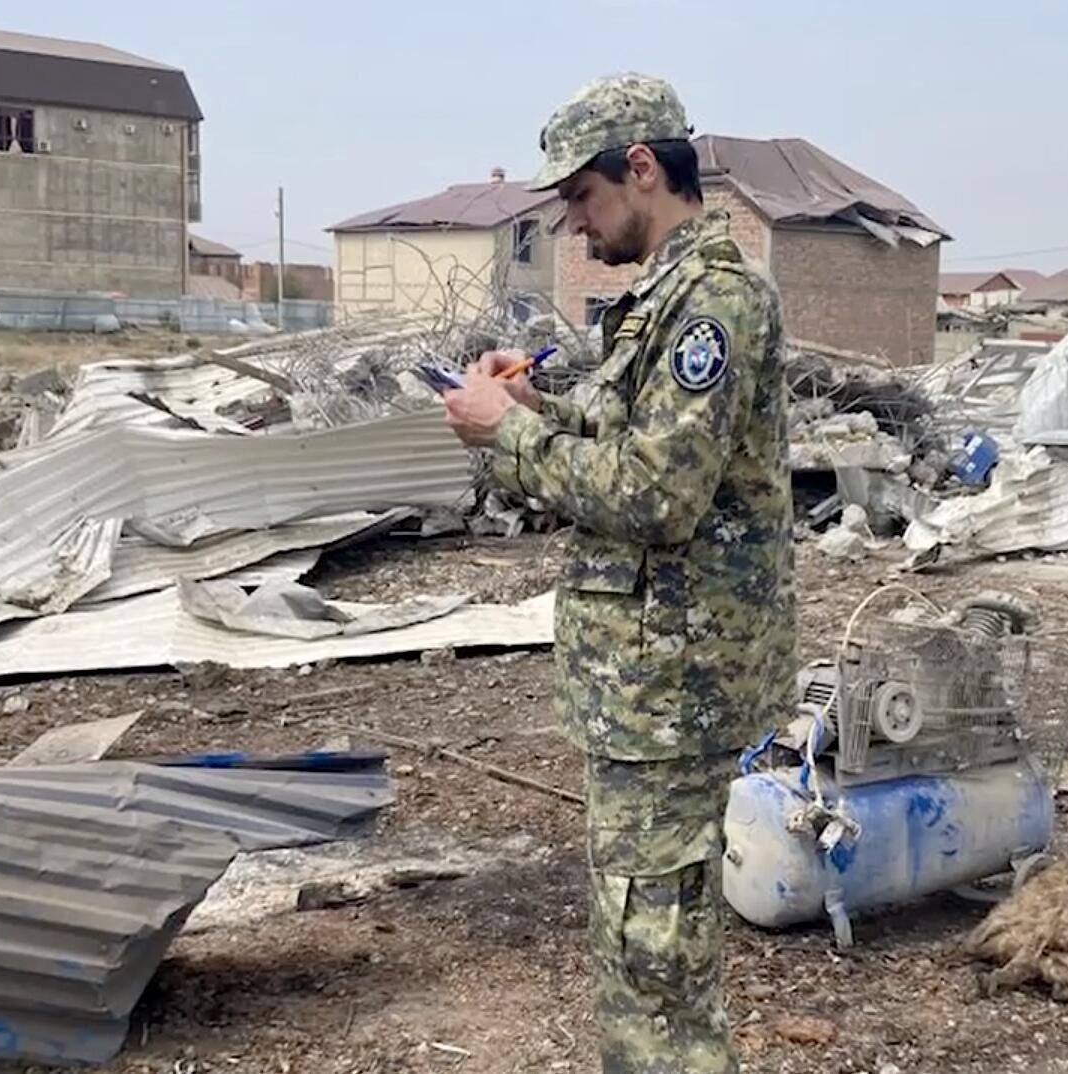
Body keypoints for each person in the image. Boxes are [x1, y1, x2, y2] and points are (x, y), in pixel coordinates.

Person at [440, 73, 795, 1074]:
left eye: (583, 201)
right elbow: (624, 438)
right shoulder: (662, 302)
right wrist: (527, 410)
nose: (578, 229)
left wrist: (507, 438)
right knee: (643, 949)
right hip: (644, 687)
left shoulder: (714, 304)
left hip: (673, 686)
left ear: (641, 169)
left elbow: (655, 498)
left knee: (655, 967)